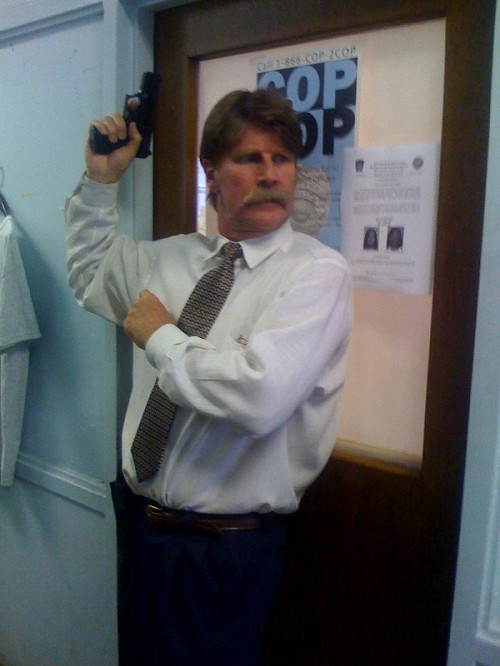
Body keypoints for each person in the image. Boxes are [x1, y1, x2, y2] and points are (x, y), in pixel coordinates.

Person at [65, 88, 352, 666]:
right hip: (145, 531)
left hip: (226, 551)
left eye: (282, 158)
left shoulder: (317, 273)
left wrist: (161, 337)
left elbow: (258, 397)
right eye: (250, 158)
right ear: (211, 172)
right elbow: (91, 272)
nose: (270, 174)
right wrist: (100, 181)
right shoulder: (170, 259)